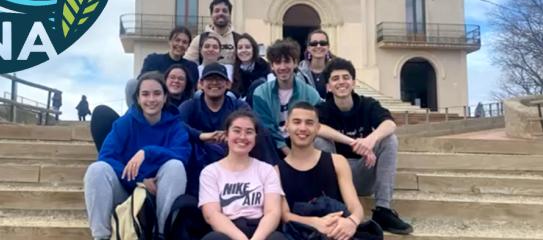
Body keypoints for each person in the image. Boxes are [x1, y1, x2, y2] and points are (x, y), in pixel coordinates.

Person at [83, 72, 191, 239]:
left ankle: (161, 234)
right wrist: (140, 181)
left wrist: (147, 152)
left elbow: (182, 154)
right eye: (145, 94)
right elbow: (107, 156)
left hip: (159, 192)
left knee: (175, 166)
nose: (151, 99)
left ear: (164, 97)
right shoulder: (125, 123)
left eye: (157, 93)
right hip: (127, 190)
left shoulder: (175, 125)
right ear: (138, 99)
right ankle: (101, 236)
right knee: (97, 169)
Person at [316, 57, 413, 235]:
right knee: (319, 140)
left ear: (353, 82)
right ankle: (333, 205)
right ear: (329, 86)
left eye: (346, 77)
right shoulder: (323, 108)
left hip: (365, 171)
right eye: (335, 78)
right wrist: (352, 142)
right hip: (338, 177)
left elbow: (389, 124)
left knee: (389, 139)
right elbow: (316, 127)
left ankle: (383, 209)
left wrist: (371, 140)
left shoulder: (368, 104)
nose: (341, 82)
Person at [278, 102, 367, 240]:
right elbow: (284, 215)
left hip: (337, 232)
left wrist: (352, 221)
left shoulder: (338, 162)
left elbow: (355, 206)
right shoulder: (276, 171)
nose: (303, 128)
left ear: (317, 128)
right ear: (286, 126)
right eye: (297, 122)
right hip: (299, 234)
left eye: (309, 123)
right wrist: (315, 223)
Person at [198, 110, 287, 240]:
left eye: (249, 132)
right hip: (227, 230)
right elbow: (211, 214)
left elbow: (273, 212)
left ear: (255, 138)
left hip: (260, 230)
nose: (243, 137)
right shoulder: (210, 172)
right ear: (226, 135)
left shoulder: (266, 170)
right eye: (237, 131)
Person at [185, 0, 239, 65]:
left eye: (224, 11)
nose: (221, 13)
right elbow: (187, 65)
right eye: (217, 11)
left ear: (230, 15)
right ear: (211, 15)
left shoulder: (238, 39)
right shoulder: (199, 40)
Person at [231, 33, 270, 100]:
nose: (243, 50)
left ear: (253, 49)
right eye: (240, 48)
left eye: (247, 47)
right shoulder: (233, 69)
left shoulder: (264, 66)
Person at [297, 29, 334, 98]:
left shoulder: (336, 71)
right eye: (314, 44)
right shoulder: (299, 74)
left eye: (323, 43)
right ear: (308, 48)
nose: (318, 46)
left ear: (328, 47)